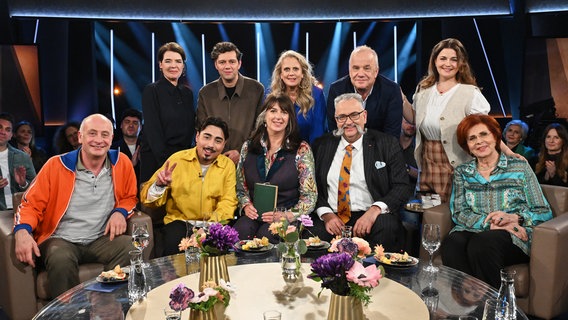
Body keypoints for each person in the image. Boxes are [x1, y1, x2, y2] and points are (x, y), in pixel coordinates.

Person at [13, 114, 138, 298]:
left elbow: (130, 197)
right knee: (60, 258)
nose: (98, 140)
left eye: (105, 134)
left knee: (132, 246)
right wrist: (22, 231)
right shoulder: (55, 165)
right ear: (80, 137)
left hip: (100, 238)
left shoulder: (122, 163)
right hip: (62, 239)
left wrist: (120, 212)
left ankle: (109, 304)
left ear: (111, 139)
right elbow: (30, 204)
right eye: (92, 133)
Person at [441, 114, 553, 288]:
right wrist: (490, 225)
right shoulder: (462, 172)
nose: (479, 141)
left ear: (495, 137)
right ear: (467, 146)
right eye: (472, 138)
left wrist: (516, 218)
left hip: (513, 235)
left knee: (483, 244)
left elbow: (543, 210)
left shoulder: (520, 167)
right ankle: (461, 307)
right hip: (475, 228)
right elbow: (459, 212)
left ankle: (494, 308)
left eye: (484, 134)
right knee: (452, 243)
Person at [402, 38, 500, 203]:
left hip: (455, 163)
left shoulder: (469, 93)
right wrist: (400, 97)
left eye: (453, 59)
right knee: (430, 214)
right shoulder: (424, 90)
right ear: (434, 61)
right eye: (443, 58)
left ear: (460, 63)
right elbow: (415, 118)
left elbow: (486, 130)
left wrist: (509, 152)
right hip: (427, 162)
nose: (448, 64)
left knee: (452, 213)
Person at [311, 93, 409, 251]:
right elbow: (310, 188)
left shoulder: (386, 144)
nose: (348, 122)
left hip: (371, 213)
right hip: (332, 213)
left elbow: (402, 186)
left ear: (364, 116)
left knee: (387, 227)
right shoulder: (320, 145)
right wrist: (326, 214)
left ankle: (378, 275)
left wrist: (375, 210)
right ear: (336, 120)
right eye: (342, 117)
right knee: (312, 232)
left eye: (354, 115)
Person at [140, 117, 238, 256]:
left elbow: (229, 201)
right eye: (207, 137)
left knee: (222, 250)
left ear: (224, 144)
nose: (211, 145)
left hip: (213, 225)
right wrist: (159, 185)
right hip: (179, 223)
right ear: (197, 136)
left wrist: (208, 228)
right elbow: (147, 200)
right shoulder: (177, 160)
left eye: (218, 140)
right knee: (175, 248)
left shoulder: (227, 165)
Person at [233, 94, 317, 243]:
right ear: (264, 115)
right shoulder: (248, 147)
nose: (278, 116)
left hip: (285, 216)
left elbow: (310, 197)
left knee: (268, 235)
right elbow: (241, 187)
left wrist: (286, 215)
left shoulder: (301, 149)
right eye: (273, 111)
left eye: (284, 112)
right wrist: (246, 205)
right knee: (240, 232)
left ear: (289, 118)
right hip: (254, 214)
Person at [197, 42, 265, 164]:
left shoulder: (256, 89)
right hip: (214, 161)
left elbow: (260, 128)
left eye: (232, 62)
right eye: (222, 62)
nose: (227, 66)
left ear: (239, 64)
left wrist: (241, 151)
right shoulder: (205, 93)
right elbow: (202, 129)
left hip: (248, 160)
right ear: (216, 65)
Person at [140, 42, 195, 183]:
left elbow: (189, 129)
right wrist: (167, 163)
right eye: (168, 61)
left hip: (183, 160)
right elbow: (153, 130)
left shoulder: (187, 93)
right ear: (160, 64)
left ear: (183, 66)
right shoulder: (152, 90)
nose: (173, 65)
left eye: (178, 61)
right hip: (157, 160)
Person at [327, 45, 402, 139]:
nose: (361, 74)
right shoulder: (337, 90)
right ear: (349, 71)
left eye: (367, 68)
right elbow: (335, 132)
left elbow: (392, 137)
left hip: (380, 150)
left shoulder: (391, 91)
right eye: (356, 68)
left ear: (376, 71)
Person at [269, 50, 327, 144]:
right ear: (281, 75)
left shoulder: (316, 94)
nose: (291, 73)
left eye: (295, 69)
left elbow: (318, 132)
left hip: (308, 152)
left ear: (302, 73)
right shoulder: (272, 96)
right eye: (287, 69)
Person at [0, 113, 36, 210]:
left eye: (7, 130)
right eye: (0, 127)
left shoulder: (22, 156)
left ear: (11, 135)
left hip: (20, 210)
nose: (3, 132)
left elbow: (35, 186)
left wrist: (23, 183)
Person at [111, 108, 142, 186]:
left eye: (135, 123)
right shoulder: (112, 149)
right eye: (127, 122)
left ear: (140, 127)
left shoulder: (148, 147)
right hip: (122, 192)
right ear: (121, 125)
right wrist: (130, 165)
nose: (131, 125)